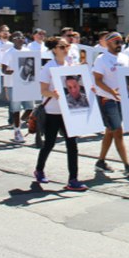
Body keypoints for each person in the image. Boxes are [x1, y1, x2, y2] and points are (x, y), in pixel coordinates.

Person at [32, 35, 88, 190]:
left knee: (72, 144)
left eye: (67, 46)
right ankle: (39, 170)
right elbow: (43, 90)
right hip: (52, 111)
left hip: (68, 110)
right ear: (54, 50)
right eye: (62, 47)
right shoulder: (48, 67)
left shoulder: (71, 64)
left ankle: (73, 179)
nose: (66, 49)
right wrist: (53, 94)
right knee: (49, 143)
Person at [92, 31, 129, 177]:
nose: (119, 45)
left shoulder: (125, 57)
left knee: (110, 131)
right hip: (107, 99)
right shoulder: (102, 59)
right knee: (118, 131)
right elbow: (97, 80)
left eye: (121, 42)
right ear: (108, 43)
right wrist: (111, 91)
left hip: (122, 99)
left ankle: (100, 161)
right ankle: (127, 165)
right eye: (116, 42)